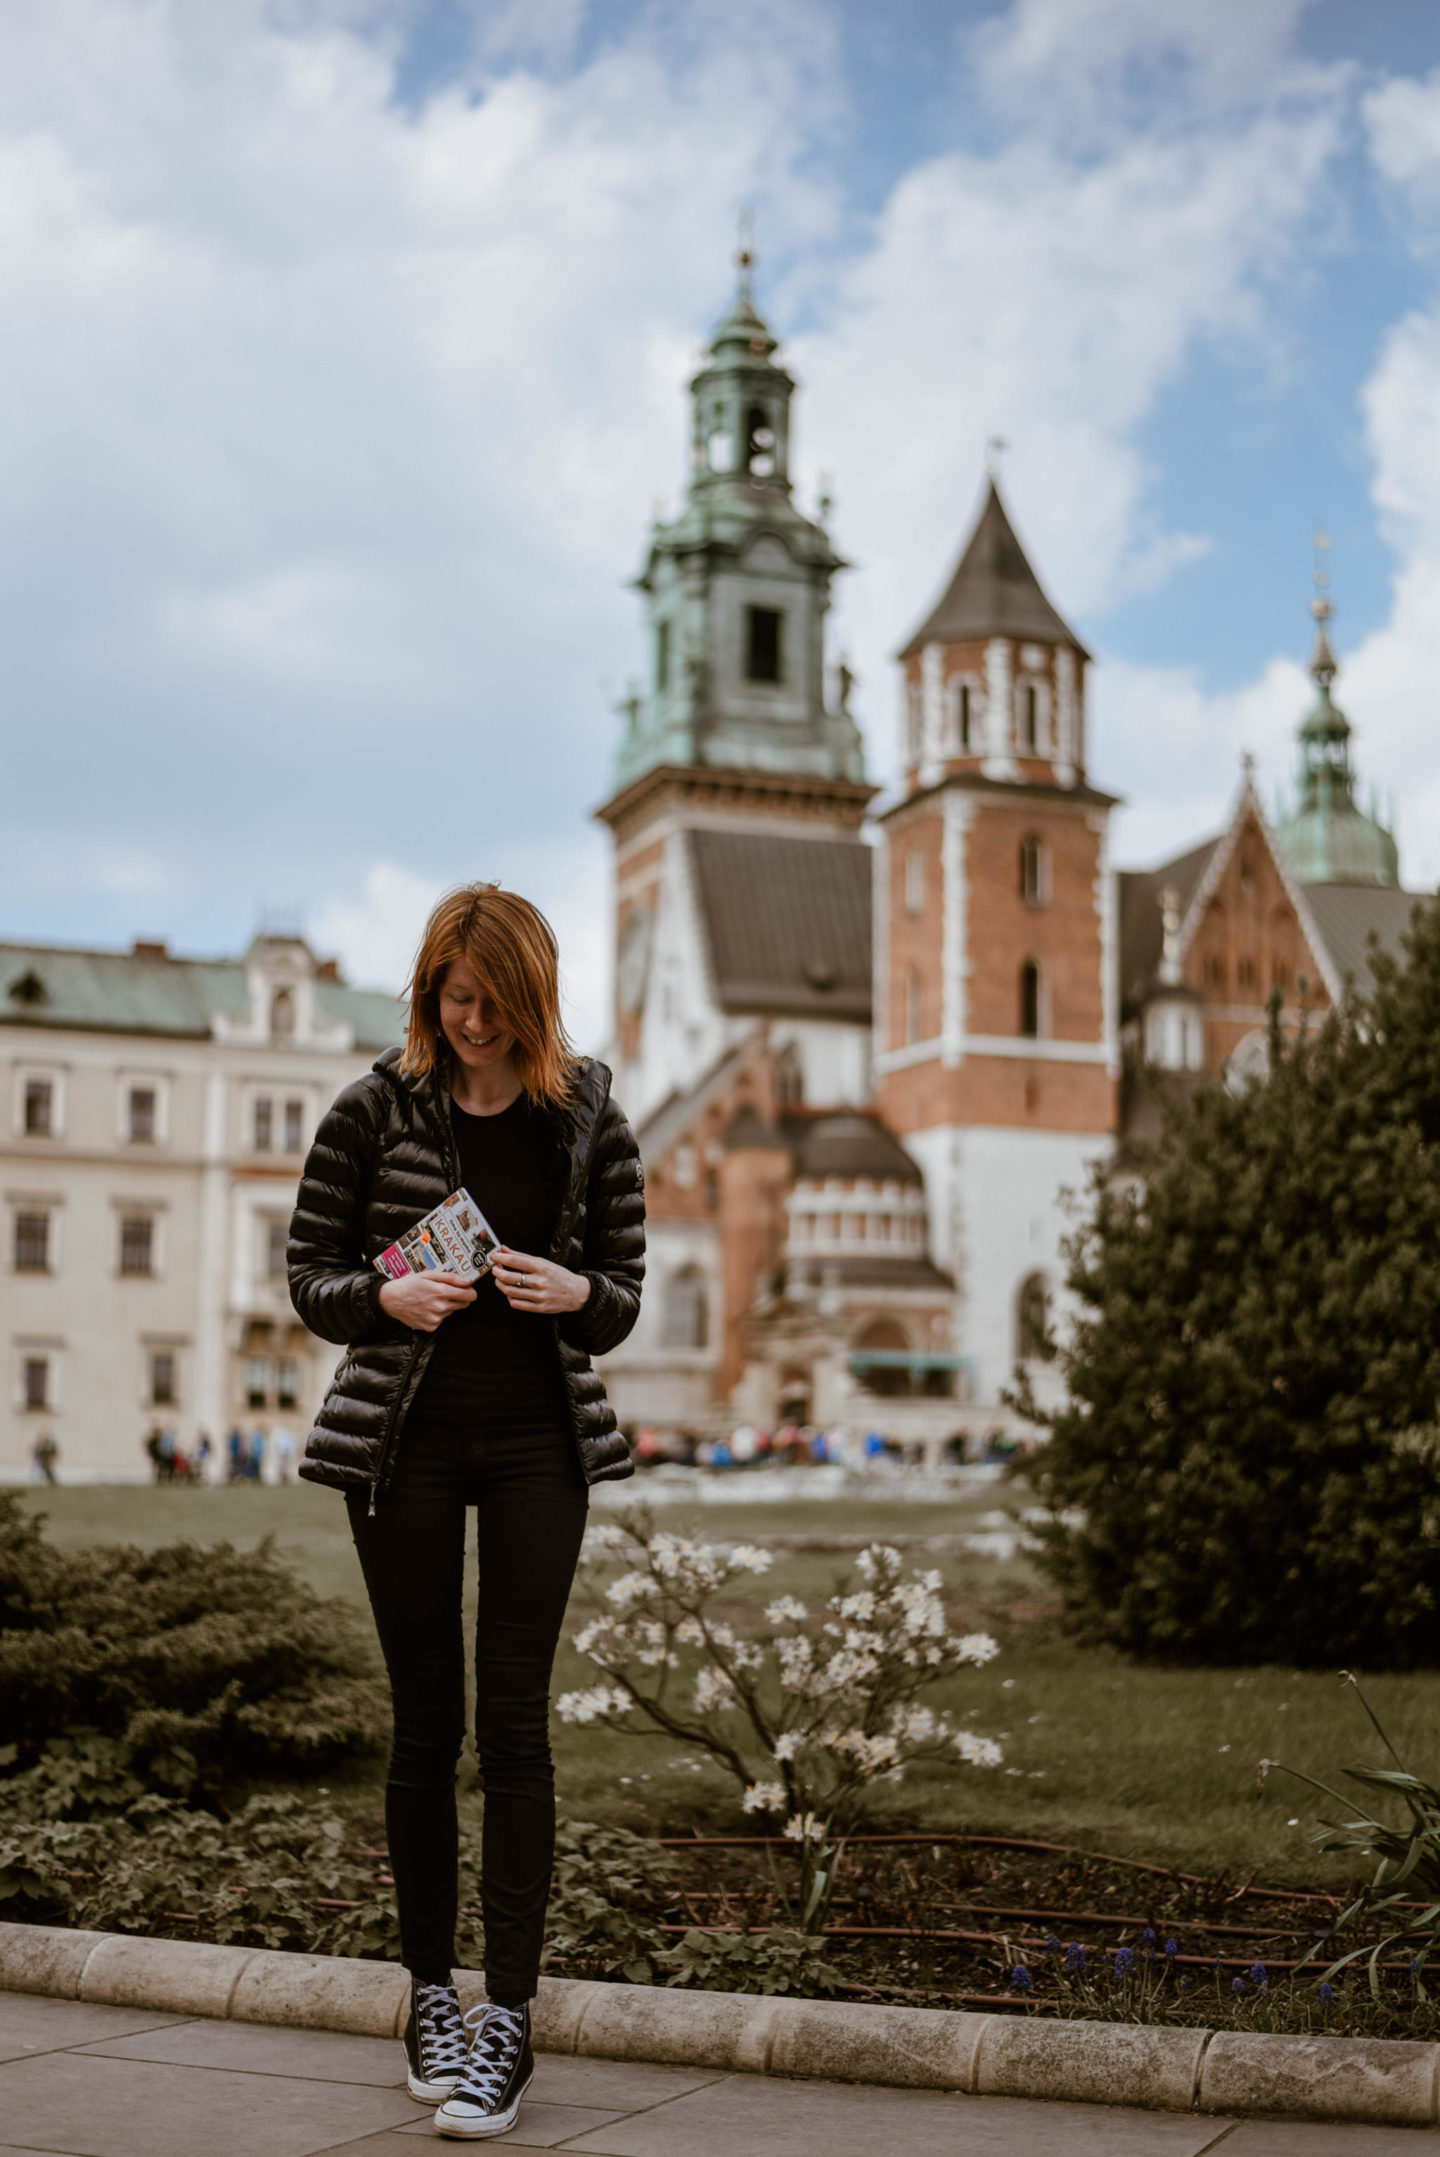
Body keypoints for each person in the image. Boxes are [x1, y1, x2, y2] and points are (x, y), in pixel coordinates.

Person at [288, 883, 644, 2140]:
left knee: (518, 1731)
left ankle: (508, 2019)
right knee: (425, 1728)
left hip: (540, 1446)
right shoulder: (373, 1106)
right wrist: (382, 1305)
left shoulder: (588, 1114)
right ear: (431, 991)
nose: (473, 1021)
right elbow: (311, 1278)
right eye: (455, 997)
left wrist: (574, 1291)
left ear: (533, 998)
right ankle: (429, 1998)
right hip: (406, 1451)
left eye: (495, 1002)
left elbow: (624, 1297)